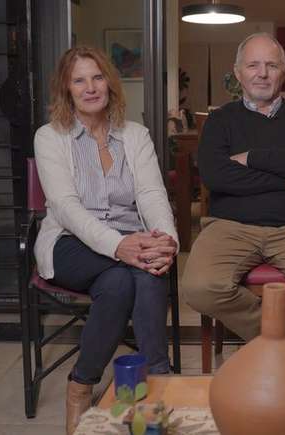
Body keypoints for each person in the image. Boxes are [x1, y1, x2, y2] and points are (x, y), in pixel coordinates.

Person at [33, 46, 178, 434]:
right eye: (79, 80)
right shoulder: (50, 137)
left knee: (138, 275)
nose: (90, 87)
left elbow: (151, 194)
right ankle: (83, 386)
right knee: (120, 279)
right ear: (67, 88)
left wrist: (165, 240)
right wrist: (118, 245)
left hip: (130, 238)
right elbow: (65, 208)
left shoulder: (135, 135)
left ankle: (155, 386)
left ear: (109, 84)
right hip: (70, 241)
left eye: (97, 77)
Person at [182, 33, 285, 347]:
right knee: (200, 287)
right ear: (238, 72)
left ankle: (269, 350)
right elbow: (216, 176)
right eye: (253, 65)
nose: (262, 73)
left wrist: (252, 159)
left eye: (271, 65)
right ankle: (278, 344)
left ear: (284, 72)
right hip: (229, 227)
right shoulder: (220, 121)